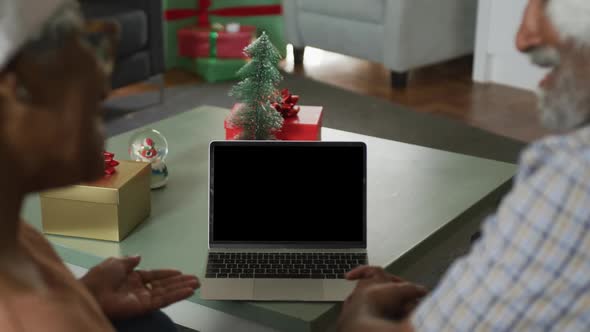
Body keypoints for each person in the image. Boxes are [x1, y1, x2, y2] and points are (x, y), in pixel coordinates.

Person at [338, 0, 590, 331]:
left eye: (544, 2)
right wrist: (453, 301)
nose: (521, 39)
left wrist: (358, 313)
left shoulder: (572, 176)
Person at [0, 1, 199, 331]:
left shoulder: (17, 235)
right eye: (76, 39)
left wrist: (83, 297)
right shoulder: (42, 319)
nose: (103, 84)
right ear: (11, 89)